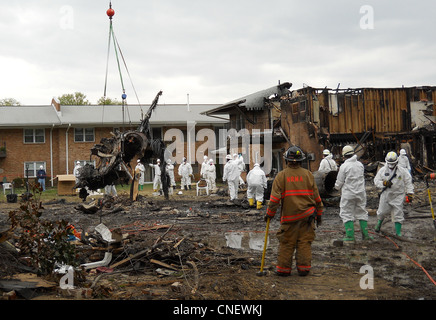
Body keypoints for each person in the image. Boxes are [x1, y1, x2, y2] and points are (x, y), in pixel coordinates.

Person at [265, 145, 323, 277]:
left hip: (289, 219)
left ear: (286, 160)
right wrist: (319, 216)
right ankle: (303, 269)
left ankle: (284, 270)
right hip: (308, 217)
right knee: (304, 243)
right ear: (301, 160)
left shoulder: (281, 176)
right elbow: (317, 199)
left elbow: (274, 200)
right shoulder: (308, 175)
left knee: (286, 243)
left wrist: (269, 214)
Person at [334, 145, 372, 242]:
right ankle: (366, 236)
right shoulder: (359, 165)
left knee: (346, 213)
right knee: (362, 212)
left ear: (344, 155)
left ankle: (350, 236)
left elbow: (339, 182)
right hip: (361, 193)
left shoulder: (344, 166)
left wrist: (336, 187)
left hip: (348, 194)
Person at [374, 151, 414, 237]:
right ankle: (378, 224)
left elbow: (408, 182)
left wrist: (410, 193)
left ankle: (398, 233)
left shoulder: (402, 171)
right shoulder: (382, 170)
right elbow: (376, 181)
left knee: (398, 214)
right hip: (386, 194)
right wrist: (383, 183)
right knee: (381, 212)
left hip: (398, 195)